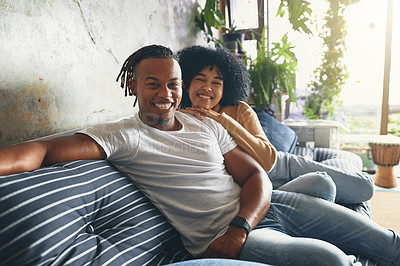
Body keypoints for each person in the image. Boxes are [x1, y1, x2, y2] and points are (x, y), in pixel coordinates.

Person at [0, 45, 399, 265]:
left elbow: (256, 176)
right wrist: (238, 232)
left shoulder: (206, 123)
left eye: (172, 83)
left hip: (268, 207)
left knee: (386, 243)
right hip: (228, 237)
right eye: (152, 83)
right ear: (132, 86)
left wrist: (243, 220)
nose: (165, 93)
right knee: (328, 262)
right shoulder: (122, 135)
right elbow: (42, 150)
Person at [177, 45, 374, 208]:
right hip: (259, 185)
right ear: (186, 84)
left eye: (216, 83)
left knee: (364, 187)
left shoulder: (240, 110)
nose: (208, 88)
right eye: (200, 80)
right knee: (322, 185)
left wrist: (222, 120)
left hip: (282, 166)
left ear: (225, 88)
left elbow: (268, 160)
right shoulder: (180, 118)